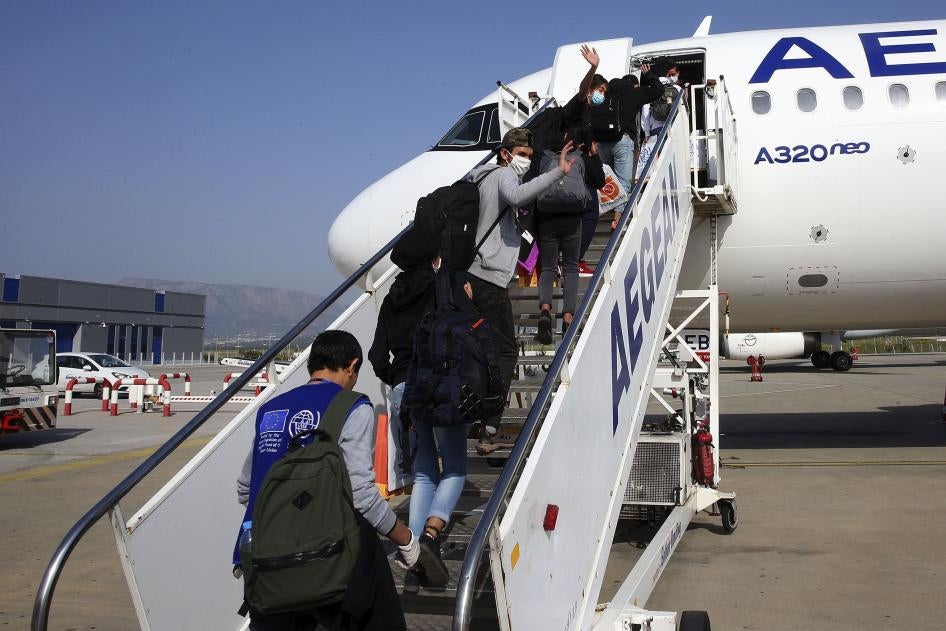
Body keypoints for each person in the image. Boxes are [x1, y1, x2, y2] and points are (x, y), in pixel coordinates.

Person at [236, 330, 416, 631]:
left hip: (266, 563)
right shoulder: (351, 406)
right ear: (352, 365)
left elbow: (246, 489)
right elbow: (361, 495)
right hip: (329, 559)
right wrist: (406, 540)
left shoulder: (272, 410)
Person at [368, 226, 475, 590]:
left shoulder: (391, 298)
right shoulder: (441, 286)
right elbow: (467, 329)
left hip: (405, 391)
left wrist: (398, 378)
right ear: (433, 258)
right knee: (456, 467)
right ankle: (431, 535)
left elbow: (376, 356)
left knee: (425, 473)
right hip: (440, 385)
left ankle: (412, 557)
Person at [466, 127, 575, 452]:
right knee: (505, 352)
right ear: (505, 153)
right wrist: (558, 171)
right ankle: (489, 425)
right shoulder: (501, 176)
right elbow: (517, 196)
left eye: (529, 156)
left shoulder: (480, 177)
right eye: (522, 155)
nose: (525, 161)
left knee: (481, 349)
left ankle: (474, 416)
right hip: (488, 278)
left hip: (473, 275)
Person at [535, 126, 605, 342]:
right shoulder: (581, 157)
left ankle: (545, 313)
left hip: (547, 218)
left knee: (547, 268)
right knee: (571, 268)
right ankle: (567, 320)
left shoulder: (545, 156)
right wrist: (593, 154)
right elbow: (599, 181)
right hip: (573, 218)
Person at [605, 63, 665, 230]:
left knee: (606, 179)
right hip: (623, 141)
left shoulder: (608, 94)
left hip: (602, 142)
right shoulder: (634, 93)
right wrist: (650, 75)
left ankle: (602, 210)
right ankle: (617, 220)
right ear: (634, 85)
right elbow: (658, 89)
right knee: (624, 182)